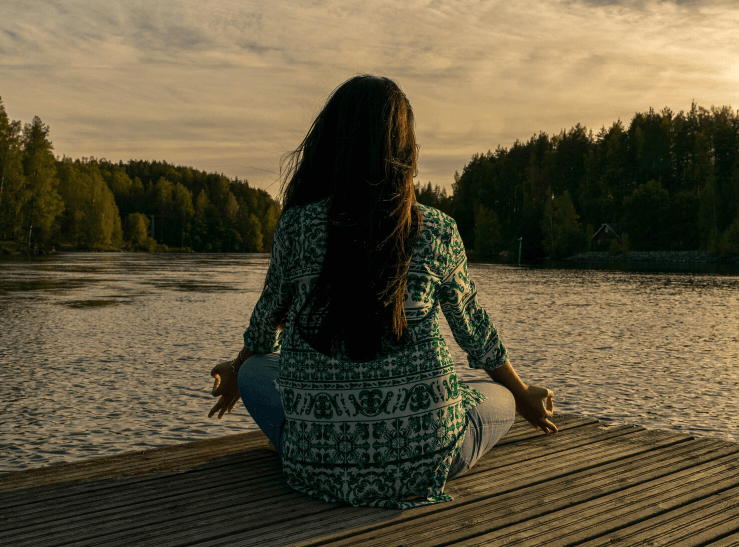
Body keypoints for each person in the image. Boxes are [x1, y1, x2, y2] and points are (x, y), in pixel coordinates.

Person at [208, 75, 556, 509]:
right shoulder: (437, 229)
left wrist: (239, 369)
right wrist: (523, 396)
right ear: (405, 149)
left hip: (315, 468)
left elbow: (264, 329)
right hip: (427, 461)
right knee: (498, 396)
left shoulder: (296, 227)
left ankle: (315, 444)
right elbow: (476, 334)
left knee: (259, 369)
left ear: (331, 142)